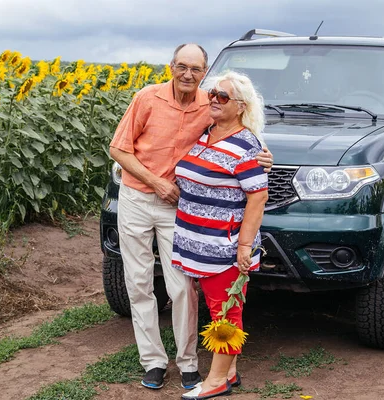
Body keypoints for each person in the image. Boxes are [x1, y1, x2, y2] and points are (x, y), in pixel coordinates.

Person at [109, 44, 273, 391]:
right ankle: (153, 360)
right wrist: (156, 183)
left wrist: (262, 157)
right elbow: (118, 148)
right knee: (138, 283)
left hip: (178, 208)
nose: (188, 75)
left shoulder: (210, 106)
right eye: (181, 66)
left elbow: (242, 142)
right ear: (171, 66)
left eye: (196, 70)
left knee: (182, 287)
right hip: (138, 197)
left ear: (204, 71)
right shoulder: (147, 99)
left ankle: (188, 363)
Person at [174, 71, 268, 400]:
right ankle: (229, 370)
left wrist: (244, 246)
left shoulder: (245, 145)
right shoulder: (206, 134)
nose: (213, 99)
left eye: (223, 97)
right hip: (198, 242)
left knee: (226, 312)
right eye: (212, 93)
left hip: (223, 246)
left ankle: (215, 381)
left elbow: (258, 196)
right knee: (221, 309)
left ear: (240, 106)